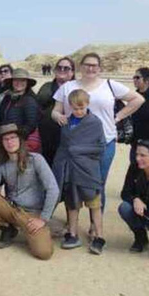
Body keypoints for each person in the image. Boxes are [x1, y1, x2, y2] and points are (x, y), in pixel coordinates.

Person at [52, 53, 145, 210]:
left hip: (103, 142)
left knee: (98, 184)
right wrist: (58, 116)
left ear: (100, 68)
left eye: (94, 65)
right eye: (87, 64)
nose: (90, 68)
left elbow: (138, 99)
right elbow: (56, 110)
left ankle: (96, 227)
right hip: (75, 144)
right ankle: (72, 226)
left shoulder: (110, 85)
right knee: (72, 183)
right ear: (81, 66)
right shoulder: (68, 87)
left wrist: (118, 117)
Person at [0, 124, 57, 260]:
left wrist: (43, 218)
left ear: (20, 140)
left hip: (32, 214)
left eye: (13, 137)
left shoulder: (36, 159)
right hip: (12, 208)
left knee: (44, 253)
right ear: (2, 143)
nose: (10, 142)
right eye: (5, 139)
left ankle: (40, 230)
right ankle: (8, 229)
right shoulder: (0, 164)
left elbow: (52, 188)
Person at [52, 90, 107, 254]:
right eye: (75, 108)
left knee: (94, 204)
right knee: (72, 204)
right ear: (70, 106)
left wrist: (78, 150)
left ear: (88, 104)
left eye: (81, 108)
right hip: (70, 171)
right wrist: (59, 165)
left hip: (89, 171)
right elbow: (63, 147)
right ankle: (72, 234)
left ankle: (99, 237)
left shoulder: (95, 123)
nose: (79, 111)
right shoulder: (66, 123)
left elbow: (100, 147)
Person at [36, 56, 76, 166]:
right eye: (59, 67)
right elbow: (37, 107)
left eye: (66, 68)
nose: (62, 70)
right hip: (46, 136)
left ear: (72, 72)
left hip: (69, 137)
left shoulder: (77, 89)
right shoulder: (46, 87)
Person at [0, 68, 41, 153]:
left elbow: (31, 125)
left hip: (21, 144)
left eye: (22, 80)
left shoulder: (29, 100)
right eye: (16, 80)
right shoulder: (8, 98)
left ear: (27, 83)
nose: (19, 83)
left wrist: (16, 138)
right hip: (7, 142)